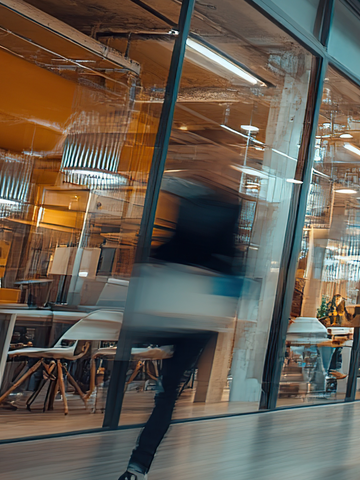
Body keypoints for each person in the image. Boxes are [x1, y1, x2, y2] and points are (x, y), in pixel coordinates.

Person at [118, 173, 242, 480]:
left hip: (176, 310)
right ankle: (138, 465)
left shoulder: (192, 213)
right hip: (198, 315)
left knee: (167, 392)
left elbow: (163, 253)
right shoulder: (223, 218)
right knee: (168, 393)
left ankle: (138, 466)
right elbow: (231, 272)